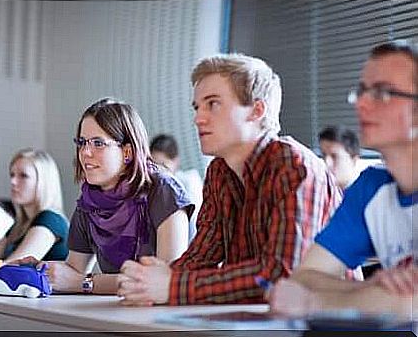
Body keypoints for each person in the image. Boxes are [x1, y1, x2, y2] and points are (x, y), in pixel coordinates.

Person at [117, 53, 342, 306]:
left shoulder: (295, 165)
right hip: (255, 320)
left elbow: (283, 274)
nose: (198, 118)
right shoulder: (218, 172)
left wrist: (172, 285)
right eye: (197, 107)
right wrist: (149, 279)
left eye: (212, 104)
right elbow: (200, 258)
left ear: (257, 110)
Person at [270, 40, 418, 319]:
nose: (362, 103)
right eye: (362, 91)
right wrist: (372, 289)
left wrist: (314, 304)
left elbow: (411, 302)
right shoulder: (371, 189)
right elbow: (304, 278)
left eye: (382, 93)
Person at [41, 98, 194, 295]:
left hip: (164, 317)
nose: (85, 152)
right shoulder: (89, 201)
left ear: (127, 152)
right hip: (118, 311)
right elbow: (73, 273)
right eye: (81, 142)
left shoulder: (164, 191)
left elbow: (165, 280)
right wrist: (39, 270)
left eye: (98, 143)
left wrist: (85, 283)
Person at [150, 134, 203, 242]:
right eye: (154, 166)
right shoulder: (152, 187)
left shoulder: (189, 181)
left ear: (176, 161)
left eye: (164, 165)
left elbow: (196, 225)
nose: (160, 172)